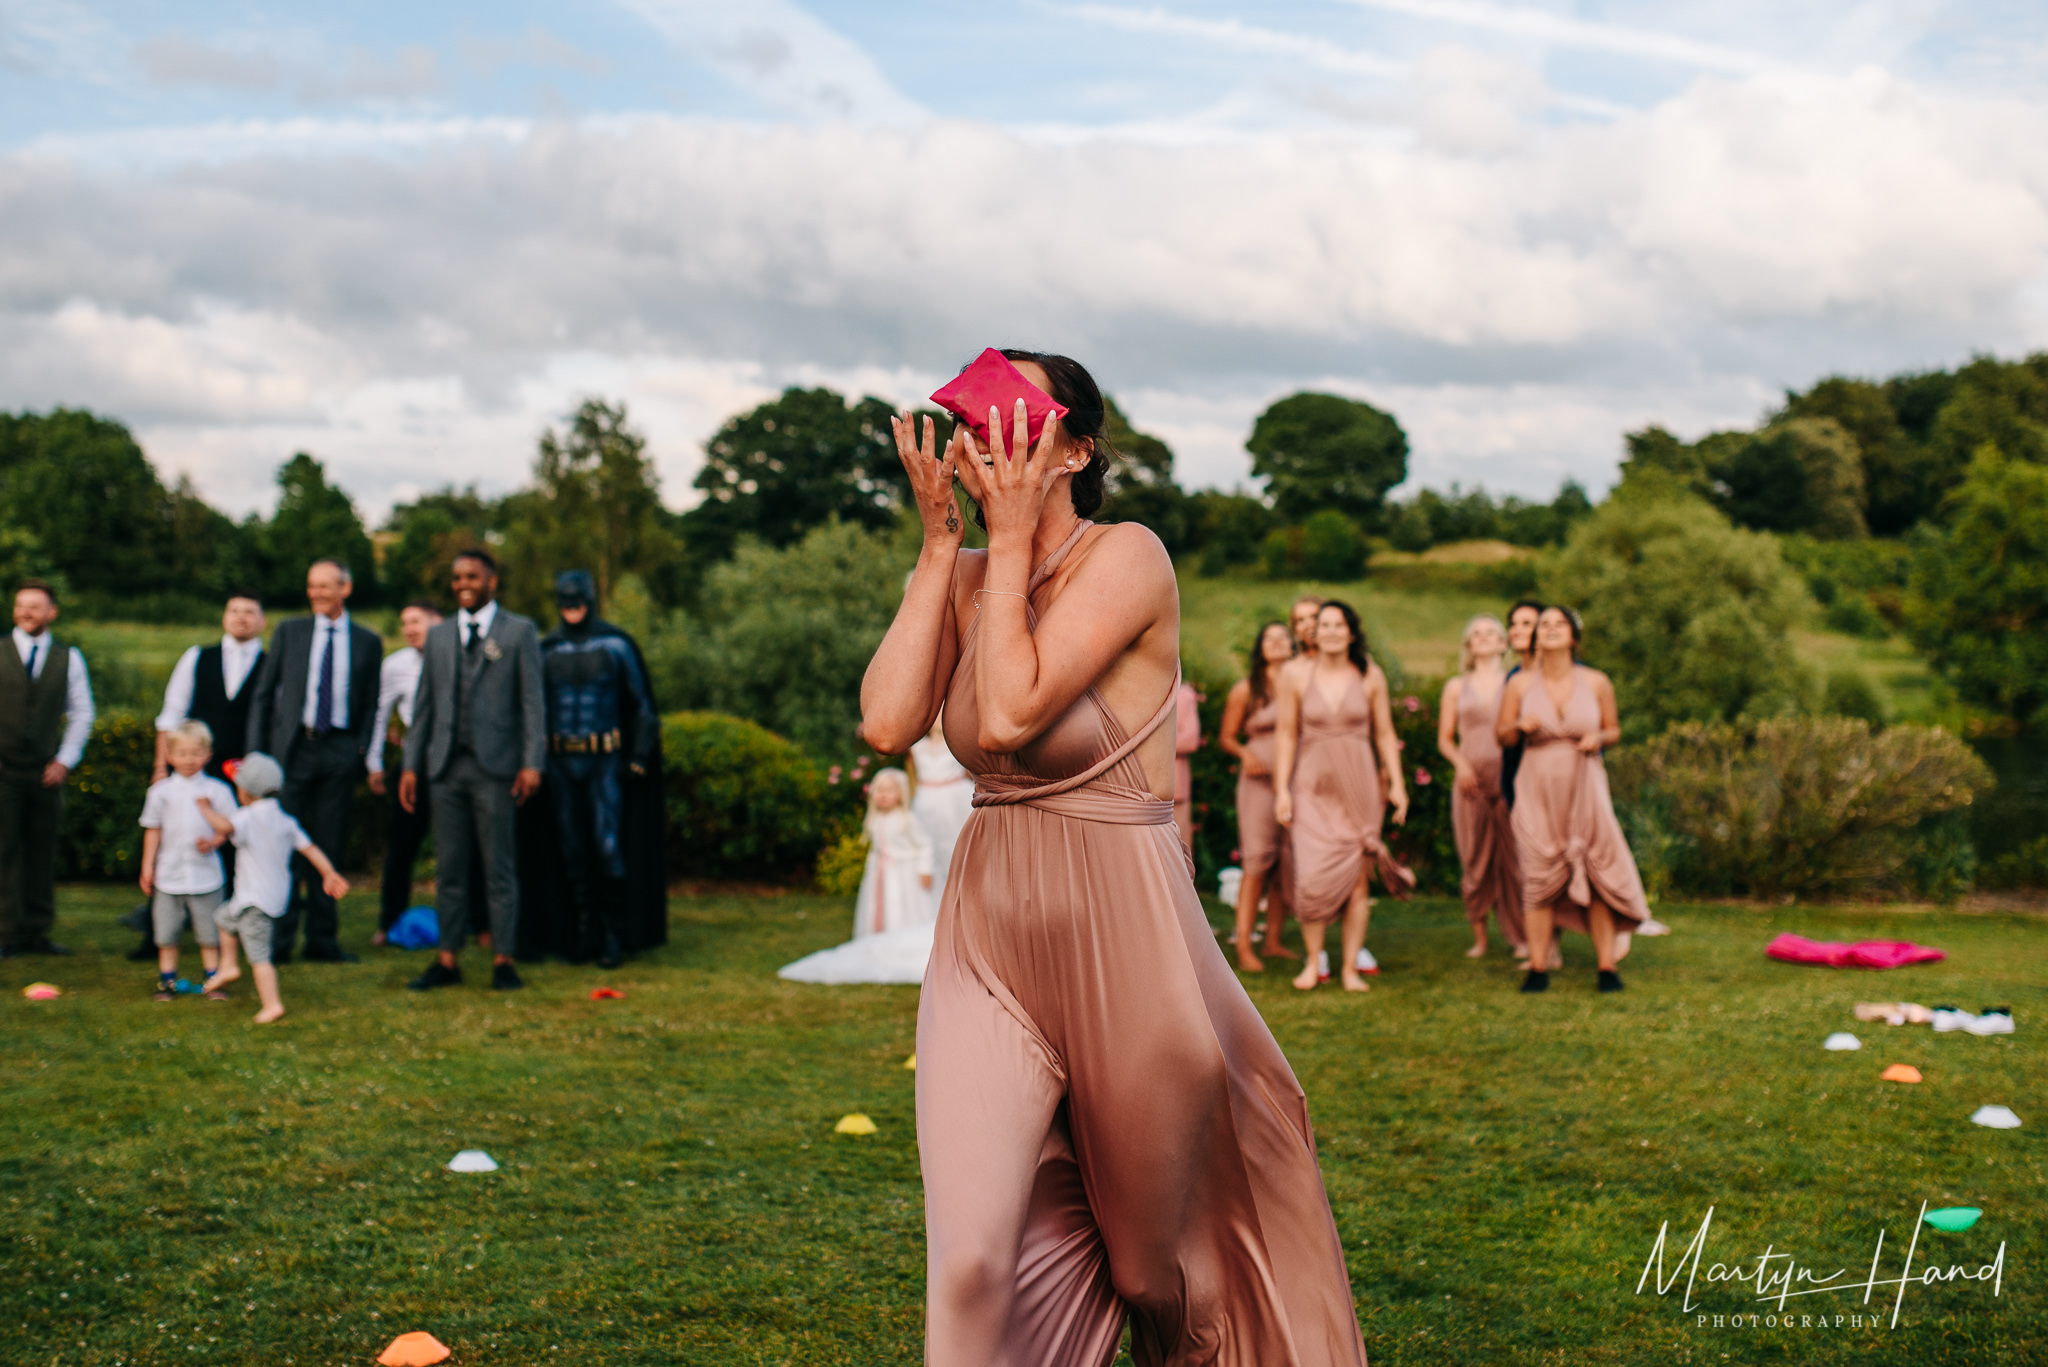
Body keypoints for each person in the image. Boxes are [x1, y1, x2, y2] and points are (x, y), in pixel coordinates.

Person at [863, 350, 1368, 1364]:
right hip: (989, 940)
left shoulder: (1128, 556)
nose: (982, 442)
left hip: (1124, 935)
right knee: (968, 1261)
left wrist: (1004, 550)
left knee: (1152, 1268)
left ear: (1076, 448)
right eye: (971, 425)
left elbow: (1009, 706)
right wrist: (939, 549)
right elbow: (885, 721)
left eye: (1011, 420)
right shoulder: (965, 576)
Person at [400, 549, 545, 992]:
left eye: (473, 577)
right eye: (457, 577)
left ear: (492, 582)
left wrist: (532, 762)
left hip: (496, 768)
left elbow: (533, 704)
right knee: (450, 868)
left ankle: (503, 959)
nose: (463, 583)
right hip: (445, 767)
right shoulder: (440, 636)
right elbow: (423, 707)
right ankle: (447, 960)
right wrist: (410, 765)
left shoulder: (519, 631)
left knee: (498, 866)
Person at [1497, 606, 1651, 994]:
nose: (1549, 629)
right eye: (1543, 624)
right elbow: (1502, 737)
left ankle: (1606, 967)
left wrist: (1599, 738)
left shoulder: (1597, 682)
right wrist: (1517, 726)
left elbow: (1613, 728)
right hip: (1536, 784)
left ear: (1574, 636)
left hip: (1585, 782)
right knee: (1538, 874)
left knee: (1595, 870)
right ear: (1536, 637)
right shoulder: (1518, 685)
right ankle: (1537, 967)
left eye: (1558, 623)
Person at [242, 560, 382, 964]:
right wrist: (255, 756)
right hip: (292, 753)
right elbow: (265, 695)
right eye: (311, 586)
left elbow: (371, 705)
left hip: (339, 751)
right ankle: (280, 941)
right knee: (280, 845)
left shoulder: (368, 641)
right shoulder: (290, 631)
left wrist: (360, 752)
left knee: (327, 843)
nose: (316, 593)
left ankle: (322, 939)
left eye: (325, 586)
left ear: (346, 588)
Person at [1273, 600, 1413, 993]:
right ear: (1314, 633)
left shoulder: (1370, 676)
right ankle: (1314, 960)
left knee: (1357, 882)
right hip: (1312, 786)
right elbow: (1286, 734)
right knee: (1311, 877)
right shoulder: (1295, 675)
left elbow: (1384, 734)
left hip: (1359, 787)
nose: (1331, 631)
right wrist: (1282, 789)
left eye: (1339, 625)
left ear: (1351, 633)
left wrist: (1398, 784)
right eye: (1324, 625)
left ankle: (1350, 967)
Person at [129, 590, 268, 961]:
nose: (241, 617)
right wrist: (162, 767)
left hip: (242, 777)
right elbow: (171, 713)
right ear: (225, 616)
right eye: (234, 610)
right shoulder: (197, 657)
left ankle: (229, 935)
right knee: (174, 840)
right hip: (191, 769)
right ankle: (156, 934)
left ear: (261, 621)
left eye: (249, 612)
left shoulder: (271, 664)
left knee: (235, 849)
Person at [534, 570, 660, 969]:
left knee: (608, 847)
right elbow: (530, 709)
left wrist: (639, 756)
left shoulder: (616, 646)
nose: (571, 605)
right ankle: (582, 933)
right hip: (558, 762)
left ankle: (612, 937)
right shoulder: (546, 650)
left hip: (604, 761)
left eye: (578, 598)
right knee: (570, 850)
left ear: (590, 599)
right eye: (564, 598)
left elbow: (642, 708)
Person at [198, 752, 349, 1024]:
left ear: (245, 791)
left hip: (254, 900)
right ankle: (229, 966)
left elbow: (225, 826)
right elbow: (310, 848)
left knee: (259, 957)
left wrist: (205, 808)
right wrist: (328, 873)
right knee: (223, 919)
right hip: (268, 898)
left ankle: (272, 1004)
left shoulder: (247, 817)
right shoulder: (285, 819)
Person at [0, 579, 94, 959]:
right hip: (2, 770)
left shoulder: (68, 658)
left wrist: (65, 760)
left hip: (45, 772)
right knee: (2, 851)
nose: (25, 612)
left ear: (51, 612)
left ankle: (35, 932)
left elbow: (82, 712)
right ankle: (4, 932)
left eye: (34, 606)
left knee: (41, 851)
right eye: (21, 605)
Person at [777, 769, 940, 986]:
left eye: (889, 790)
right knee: (879, 906)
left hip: (904, 874)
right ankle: (876, 941)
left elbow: (924, 845)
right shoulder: (875, 819)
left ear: (900, 794)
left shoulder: (907, 819)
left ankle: (899, 943)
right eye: (879, 790)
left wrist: (924, 869)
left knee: (900, 906)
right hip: (881, 872)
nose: (883, 795)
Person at [1437, 615, 1528, 962]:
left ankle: (1520, 936)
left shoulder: (1516, 683)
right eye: (1477, 634)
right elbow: (1445, 739)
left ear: (1504, 643)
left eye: (1492, 632)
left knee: (1515, 860)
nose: (1484, 638)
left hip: (1510, 780)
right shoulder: (1456, 687)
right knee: (1474, 861)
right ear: (1469, 646)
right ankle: (1480, 938)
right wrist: (1460, 764)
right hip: (1470, 783)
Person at [1218, 620, 1300, 971]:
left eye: (1284, 637)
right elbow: (1226, 736)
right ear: (1260, 648)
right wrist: (1245, 753)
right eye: (1271, 638)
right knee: (1256, 862)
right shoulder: (1245, 690)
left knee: (1287, 861)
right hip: (1257, 783)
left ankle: (1274, 941)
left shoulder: (1303, 685)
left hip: (1296, 780)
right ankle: (1244, 944)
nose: (1279, 642)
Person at [139, 720, 237, 999]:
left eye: (196, 753)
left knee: (210, 932)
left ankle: (213, 981)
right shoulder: (160, 792)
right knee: (167, 934)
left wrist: (214, 841)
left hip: (206, 875)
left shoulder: (218, 790)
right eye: (182, 754)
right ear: (170, 756)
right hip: (169, 875)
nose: (189, 760)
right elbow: (153, 829)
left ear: (208, 754)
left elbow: (230, 826)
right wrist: (148, 866)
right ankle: (167, 982)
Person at [366, 601, 441, 946]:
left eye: (416, 621)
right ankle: (389, 921)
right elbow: (380, 714)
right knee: (401, 845)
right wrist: (375, 762)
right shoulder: (395, 666)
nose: (409, 628)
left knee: (461, 846)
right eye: (404, 622)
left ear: (437, 622)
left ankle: (473, 921)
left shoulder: (459, 658)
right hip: (414, 764)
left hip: (455, 763)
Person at [908, 714, 973, 905]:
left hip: (955, 799)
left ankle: (965, 892)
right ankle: (936, 897)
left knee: (958, 843)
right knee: (930, 843)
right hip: (926, 799)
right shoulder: (917, 747)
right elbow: (913, 775)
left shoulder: (959, 742)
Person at [1497, 598, 1543, 810]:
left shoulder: (1572, 674)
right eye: (1513, 624)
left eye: (1526, 624)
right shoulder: (1512, 677)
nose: (1516, 630)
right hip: (1520, 778)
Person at [1171, 679, 1201, 853]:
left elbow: (1190, 740)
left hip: (1175, 789)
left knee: (1178, 851)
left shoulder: (1183, 696)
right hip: (1131, 787)